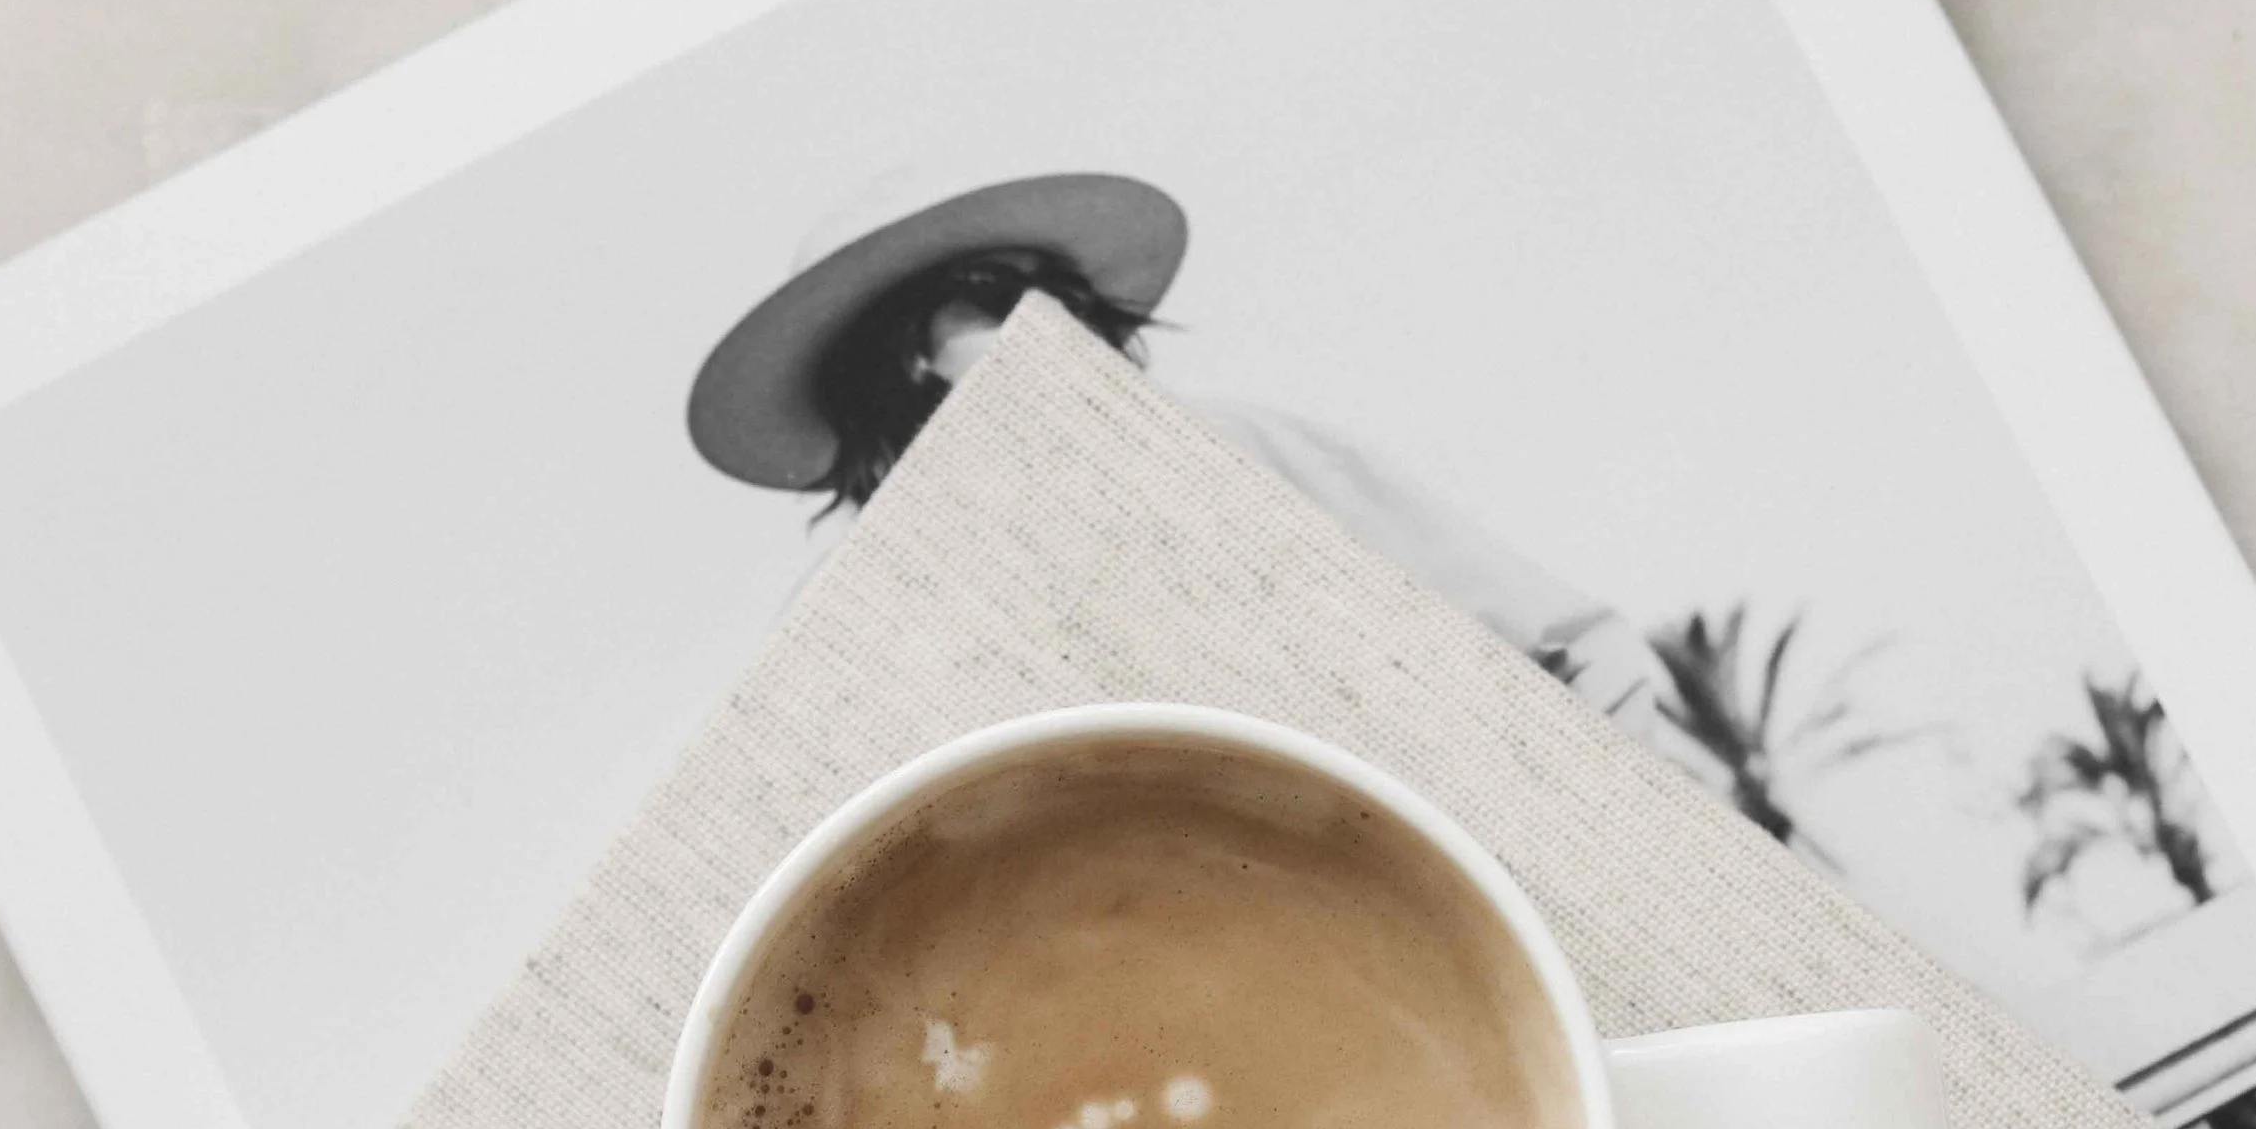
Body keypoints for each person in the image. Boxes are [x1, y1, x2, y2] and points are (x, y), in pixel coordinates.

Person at [686, 172, 1659, 728]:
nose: (1047, 312)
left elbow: (1569, 643)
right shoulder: (853, 618)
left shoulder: (1243, 448)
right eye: (988, 288)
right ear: (896, 358)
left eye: (1059, 288)